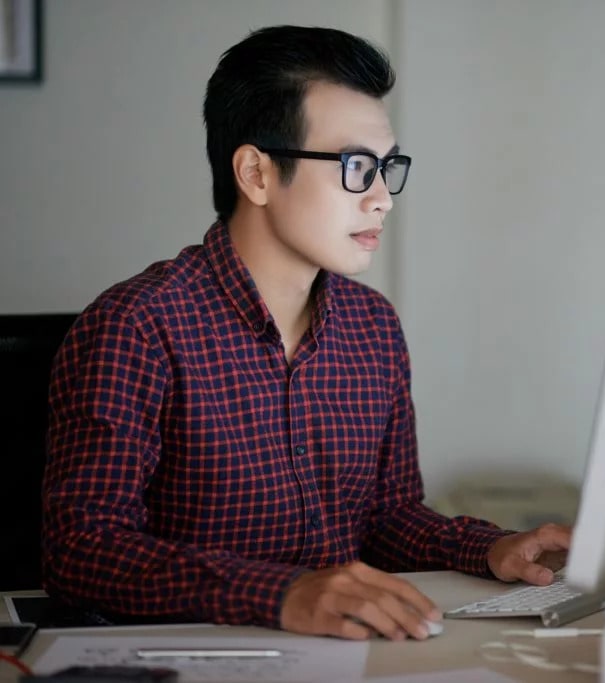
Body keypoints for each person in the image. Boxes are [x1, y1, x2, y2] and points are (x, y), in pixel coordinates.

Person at [41, 25, 571, 642]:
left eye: (386, 167)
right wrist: (282, 593)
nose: (382, 199)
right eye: (354, 166)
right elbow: (82, 551)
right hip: (196, 656)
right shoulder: (137, 326)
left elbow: (386, 518)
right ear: (257, 174)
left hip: (346, 654)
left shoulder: (372, 327)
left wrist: (490, 548)